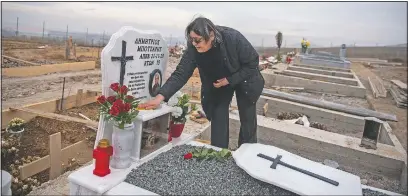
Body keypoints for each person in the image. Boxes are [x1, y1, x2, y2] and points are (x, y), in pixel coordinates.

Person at [139, 17, 265, 149]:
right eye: (191, 39)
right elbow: (181, 73)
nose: (194, 43)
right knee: (218, 115)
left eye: (198, 40)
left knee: (247, 119)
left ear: (211, 36)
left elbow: (252, 63)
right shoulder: (193, 47)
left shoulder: (232, 38)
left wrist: (229, 80)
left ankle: (247, 152)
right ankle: (219, 154)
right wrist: (159, 97)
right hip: (218, 83)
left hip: (245, 78)